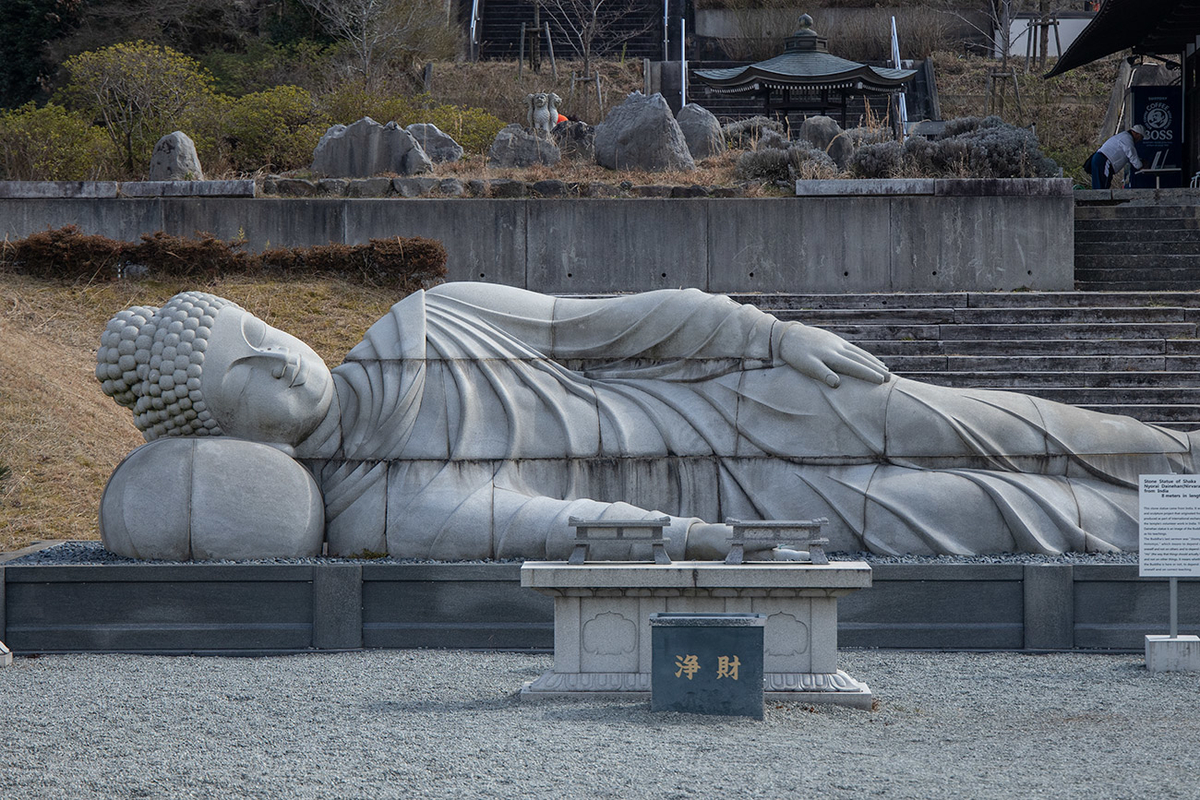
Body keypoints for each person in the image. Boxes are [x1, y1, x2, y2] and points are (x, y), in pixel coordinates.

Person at [97, 284, 1200, 560]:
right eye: (240, 375)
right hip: (742, 497)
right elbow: (568, 524)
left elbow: (610, 325)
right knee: (1012, 510)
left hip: (741, 394)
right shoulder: (383, 501)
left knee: (1002, 421)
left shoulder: (428, 321)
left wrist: (766, 333)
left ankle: (1188, 455)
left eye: (254, 327)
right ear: (239, 439)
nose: (272, 353)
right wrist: (707, 541)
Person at [1090, 124, 1144, 189]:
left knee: (1100, 186)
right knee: (1102, 189)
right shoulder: (1127, 139)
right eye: (1141, 137)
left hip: (1101, 159)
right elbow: (1132, 155)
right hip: (1104, 161)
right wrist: (1141, 166)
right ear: (1136, 134)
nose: (1140, 140)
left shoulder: (1123, 136)